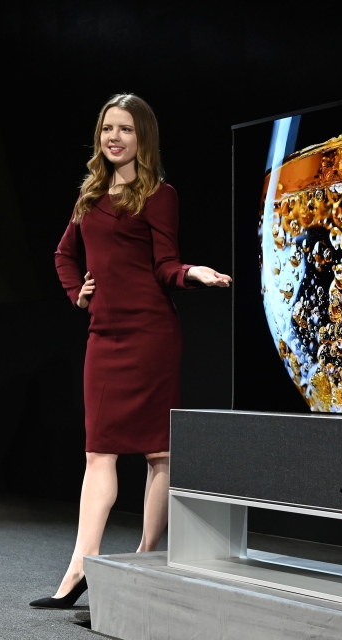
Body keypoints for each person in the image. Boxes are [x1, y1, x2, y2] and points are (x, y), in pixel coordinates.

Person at [29, 94, 230, 609]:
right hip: (105, 337)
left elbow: (165, 264)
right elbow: (61, 254)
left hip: (151, 336)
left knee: (158, 454)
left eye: (125, 130)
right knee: (98, 452)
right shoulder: (89, 196)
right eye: (106, 130)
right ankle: (80, 566)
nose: (113, 138)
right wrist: (77, 292)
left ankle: (143, 558)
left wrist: (191, 274)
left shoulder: (159, 195)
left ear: (144, 137)